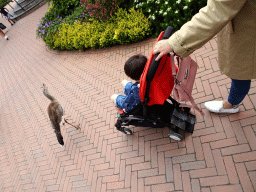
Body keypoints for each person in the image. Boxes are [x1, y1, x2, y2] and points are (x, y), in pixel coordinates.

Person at [153, 0, 255, 114]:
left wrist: (174, 42)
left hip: (247, 32)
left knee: (240, 72)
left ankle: (231, 104)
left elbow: (216, 12)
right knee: (240, 71)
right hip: (247, 26)